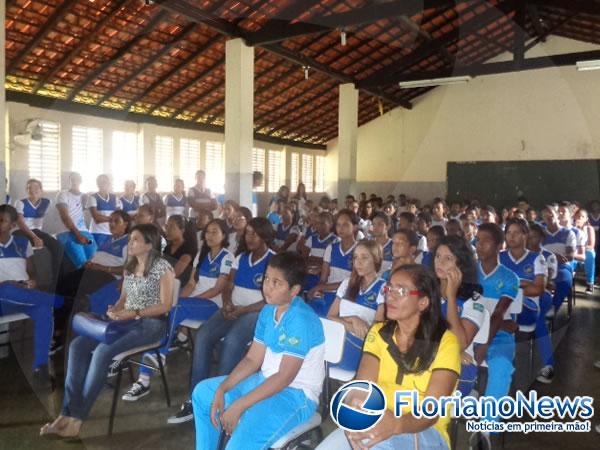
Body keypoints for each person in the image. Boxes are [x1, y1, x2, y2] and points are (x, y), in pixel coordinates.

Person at [39, 224, 174, 439]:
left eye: (135, 240)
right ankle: (66, 413)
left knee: (103, 351)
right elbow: (123, 299)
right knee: (77, 346)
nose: (130, 243)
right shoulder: (130, 266)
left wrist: (134, 312)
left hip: (151, 325)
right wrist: (116, 309)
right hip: (127, 321)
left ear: (150, 244)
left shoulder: (162, 267)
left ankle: (77, 420)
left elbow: (166, 306)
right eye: (130, 239)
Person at [317, 264, 460, 450]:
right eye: (389, 288)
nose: (389, 295)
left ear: (423, 303)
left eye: (400, 290)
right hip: (375, 417)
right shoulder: (378, 333)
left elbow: (431, 411)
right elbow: (363, 386)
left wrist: (395, 424)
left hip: (424, 429)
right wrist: (357, 408)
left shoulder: (446, 343)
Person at [192, 252, 324, 449]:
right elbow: (252, 359)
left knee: (238, 445)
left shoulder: (301, 319)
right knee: (204, 393)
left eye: (276, 283)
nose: (267, 287)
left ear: (294, 290)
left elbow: (284, 378)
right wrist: (223, 388)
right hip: (265, 380)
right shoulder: (268, 310)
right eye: (267, 279)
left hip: (296, 395)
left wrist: (240, 404)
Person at [168, 218, 275, 424]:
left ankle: (222, 399)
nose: (249, 237)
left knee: (232, 341)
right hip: (233, 308)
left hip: (257, 313)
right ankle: (196, 397)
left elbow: (270, 299)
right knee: (204, 336)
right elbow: (228, 285)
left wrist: (243, 309)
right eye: (248, 233)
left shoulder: (274, 260)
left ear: (265, 235)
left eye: (255, 233)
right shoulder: (241, 257)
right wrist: (226, 303)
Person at [126, 219, 233, 403]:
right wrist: (176, 300)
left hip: (212, 306)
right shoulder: (201, 254)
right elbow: (191, 283)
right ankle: (144, 378)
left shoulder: (227, 257)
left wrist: (186, 303)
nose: (209, 235)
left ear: (224, 235)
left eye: (215, 232)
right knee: (166, 306)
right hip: (193, 303)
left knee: (175, 309)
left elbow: (217, 290)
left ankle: (160, 353)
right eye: (207, 232)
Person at [0, 205, 62, 380]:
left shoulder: (22, 243)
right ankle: (64, 302)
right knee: (6, 289)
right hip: (2, 298)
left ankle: (40, 367)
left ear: (13, 225)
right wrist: (7, 283)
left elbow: (31, 271)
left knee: (43, 312)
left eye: (2, 220)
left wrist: (33, 281)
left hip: (24, 296)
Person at [473, 223, 519, 447]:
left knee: (501, 365)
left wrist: (484, 344)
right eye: (477, 240)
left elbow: (499, 313)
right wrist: (505, 324)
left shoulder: (509, 278)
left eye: (485, 240)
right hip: (470, 330)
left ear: (499, 246)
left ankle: (486, 430)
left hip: (497, 336)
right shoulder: (468, 271)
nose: (478, 245)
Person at [434, 236, 487, 396]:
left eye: (448, 258)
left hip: (459, 367)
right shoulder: (427, 291)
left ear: (461, 265)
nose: (440, 262)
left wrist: (451, 297)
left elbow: (459, 343)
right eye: (437, 256)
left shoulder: (474, 300)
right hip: (429, 355)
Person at [500, 218, 551, 382]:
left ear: (525, 235)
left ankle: (521, 385)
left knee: (521, 352)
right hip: (502, 308)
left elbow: (538, 288)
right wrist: (523, 283)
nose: (511, 236)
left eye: (516, 232)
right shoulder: (499, 257)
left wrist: (509, 286)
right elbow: (493, 286)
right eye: (508, 233)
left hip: (527, 309)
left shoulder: (537, 258)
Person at [327, 240, 385, 371]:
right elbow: (330, 316)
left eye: (364, 257)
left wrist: (344, 323)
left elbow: (374, 332)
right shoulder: (347, 283)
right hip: (338, 341)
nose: (358, 262)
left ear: (376, 260)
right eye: (355, 257)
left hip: (360, 348)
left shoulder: (383, 288)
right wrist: (353, 320)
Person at [308, 209, 358, 316]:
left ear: (355, 227)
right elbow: (323, 278)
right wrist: (319, 290)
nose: (340, 228)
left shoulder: (359, 251)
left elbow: (351, 283)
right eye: (338, 225)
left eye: (345, 224)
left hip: (347, 296)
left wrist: (319, 287)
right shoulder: (331, 248)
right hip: (328, 292)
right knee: (310, 310)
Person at [527, 223, 558, 383]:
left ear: (541, 238)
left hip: (542, 295)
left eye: (534, 236)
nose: (530, 239)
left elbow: (548, 281)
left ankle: (548, 365)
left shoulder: (548, 256)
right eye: (528, 236)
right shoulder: (516, 255)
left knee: (537, 319)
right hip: (520, 296)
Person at [55, 172, 97, 269]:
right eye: (72, 179)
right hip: (66, 232)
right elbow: (65, 217)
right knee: (82, 262)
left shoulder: (85, 196)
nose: (74, 181)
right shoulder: (63, 194)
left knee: (95, 259)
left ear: (81, 181)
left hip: (84, 232)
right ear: (69, 181)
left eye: (77, 179)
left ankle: (94, 282)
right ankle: (83, 282)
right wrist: (78, 235)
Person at [541, 205, 575, 313]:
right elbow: (536, 252)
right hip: (543, 265)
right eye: (545, 214)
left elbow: (570, 256)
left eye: (551, 212)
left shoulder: (568, 233)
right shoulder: (541, 234)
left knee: (564, 280)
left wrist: (557, 258)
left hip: (562, 266)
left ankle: (553, 307)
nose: (549, 216)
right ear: (542, 218)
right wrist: (553, 257)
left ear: (557, 214)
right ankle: (540, 307)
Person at [298, 211, 337, 293]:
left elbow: (331, 263)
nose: (319, 226)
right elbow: (304, 257)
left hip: (324, 275)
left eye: (323, 223)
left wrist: (315, 260)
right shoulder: (312, 238)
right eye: (317, 223)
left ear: (330, 224)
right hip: (311, 272)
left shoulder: (335, 240)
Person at [86, 174, 122, 248]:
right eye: (100, 182)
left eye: (105, 182)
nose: (102, 184)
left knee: (109, 258)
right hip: (97, 233)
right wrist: (113, 219)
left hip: (112, 233)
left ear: (109, 183)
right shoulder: (92, 197)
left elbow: (120, 216)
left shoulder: (115, 198)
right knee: (98, 257)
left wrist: (105, 218)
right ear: (97, 184)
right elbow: (96, 218)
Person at [163, 214, 198, 287]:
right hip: (167, 283)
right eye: (167, 226)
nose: (167, 230)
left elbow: (176, 272)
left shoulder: (189, 248)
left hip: (181, 287)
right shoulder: (168, 247)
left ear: (182, 230)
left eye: (172, 227)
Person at [14, 178, 49, 249]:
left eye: (36, 187)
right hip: (22, 231)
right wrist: (34, 237)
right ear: (26, 191)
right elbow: (20, 223)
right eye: (29, 188)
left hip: (38, 232)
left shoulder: (47, 202)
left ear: (41, 190)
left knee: (57, 247)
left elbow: (50, 220)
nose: (32, 190)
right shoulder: (20, 203)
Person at [573, 208, 596, 294]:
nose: (580, 218)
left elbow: (591, 245)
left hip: (585, 254)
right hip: (574, 254)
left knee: (590, 254)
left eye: (582, 217)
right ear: (574, 217)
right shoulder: (571, 228)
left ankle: (590, 283)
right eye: (578, 216)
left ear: (586, 219)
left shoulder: (589, 228)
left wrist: (580, 248)